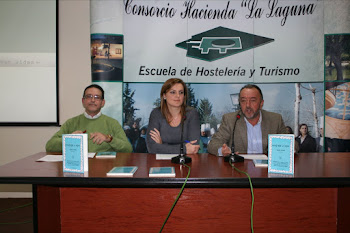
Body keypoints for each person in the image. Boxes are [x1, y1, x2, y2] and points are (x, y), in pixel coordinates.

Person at [46, 84, 132, 153]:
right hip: (77, 169)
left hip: (104, 169)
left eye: (97, 97)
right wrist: (69, 139)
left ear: (103, 103)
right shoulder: (71, 123)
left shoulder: (112, 123)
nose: (93, 100)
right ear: (83, 101)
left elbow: (128, 149)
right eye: (89, 96)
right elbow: (49, 146)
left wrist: (109, 139)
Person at [207, 84, 287, 156]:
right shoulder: (230, 120)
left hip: (266, 168)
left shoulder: (275, 120)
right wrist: (222, 150)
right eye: (243, 101)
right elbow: (213, 143)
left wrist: (287, 149)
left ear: (261, 103)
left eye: (253, 100)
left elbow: (293, 144)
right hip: (240, 168)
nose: (248, 105)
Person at [146, 78, 200, 154]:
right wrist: (183, 148)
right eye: (173, 92)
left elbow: (193, 147)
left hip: (185, 162)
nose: (178, 96)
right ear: (164, 95)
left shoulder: (191, 114)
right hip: (161, 163)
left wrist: (162, 145)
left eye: (181, 92)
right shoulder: (156, 113)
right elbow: (152, 147)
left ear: (184, 96)